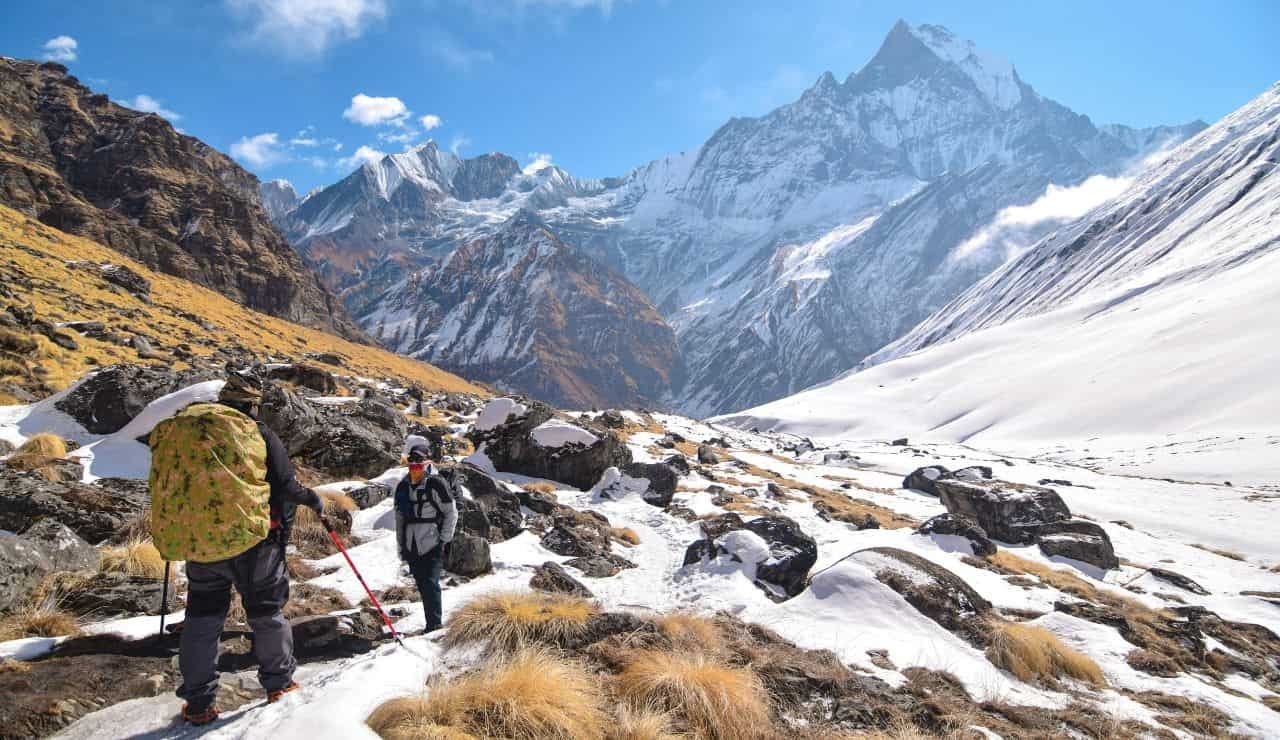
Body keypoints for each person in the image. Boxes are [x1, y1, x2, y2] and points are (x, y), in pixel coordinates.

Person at [174, 373, 325, 725]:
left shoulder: (193, 433)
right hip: (254, 543)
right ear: (252, 405)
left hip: (202, 543)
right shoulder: (257, 433)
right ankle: (279, 685)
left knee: (201, 621)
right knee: (265, 612)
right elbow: (286, 486)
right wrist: (313, 499)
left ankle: (198, 705)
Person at [394, 442, 458, 633]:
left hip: (432, 541)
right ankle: (430, 623)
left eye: (419, 460)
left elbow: (451, 512)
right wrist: (401, 547)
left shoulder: (436, 483)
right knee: (422, 583)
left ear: (427, 460)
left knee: (430, 584)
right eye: (411, 460)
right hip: (411, 544)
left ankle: (434, 625)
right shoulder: (403, 487)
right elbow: (399, 518)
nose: (414, 464)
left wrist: (444, 541)